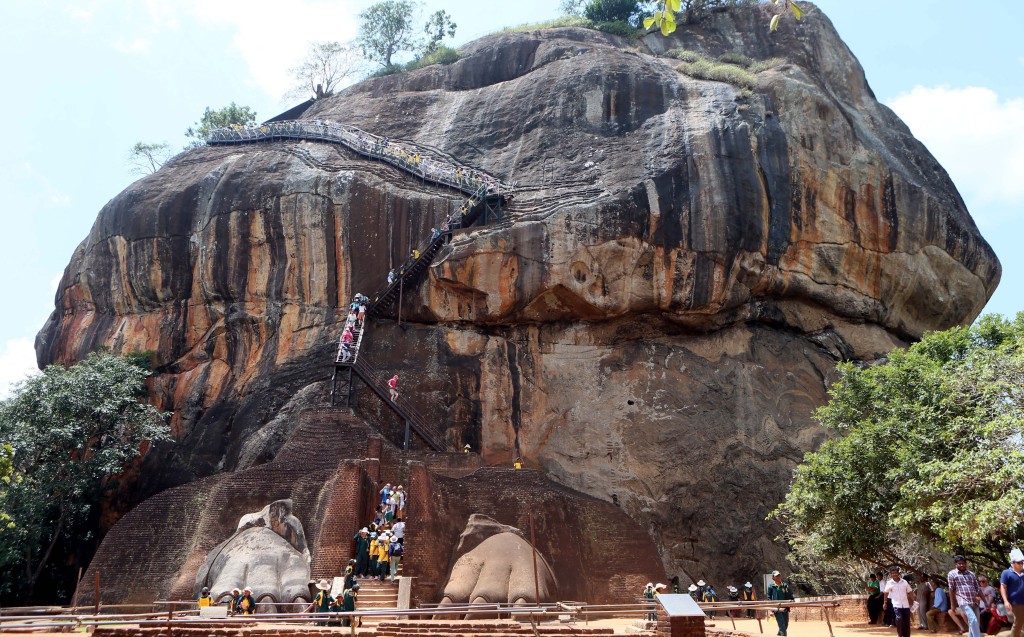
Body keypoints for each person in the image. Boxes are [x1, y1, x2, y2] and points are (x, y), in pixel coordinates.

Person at [948, 554, 983, 637]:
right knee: (973, 619)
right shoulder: (952, 574)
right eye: (959, 563)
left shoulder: (971, 574)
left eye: (963, 563)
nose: (962, 565)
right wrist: (952, 604)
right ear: (956, 564)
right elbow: (951, 590)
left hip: (974, 601)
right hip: (963, 601)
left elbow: (977, 589)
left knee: (975, 622)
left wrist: (985, 601)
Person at [884, 565, 915, 637]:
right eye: (892, 573)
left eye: (895, 573)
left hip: (905, 605)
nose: (894, 574)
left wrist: (913, 601)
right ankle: (899, 634)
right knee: (899, 619)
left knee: (906, 621)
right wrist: (885, 603)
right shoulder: (889, 583)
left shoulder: (904, 582)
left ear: (898, 573)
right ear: (891, 574)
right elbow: (886, 593)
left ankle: (906, 635)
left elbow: (910, 592)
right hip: (896, 605)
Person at [1000, 548, 1024, 637]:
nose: (1021, 564)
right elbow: (1003, 587)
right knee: (1018, 622)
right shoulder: (1006, 573)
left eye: (1022, 562)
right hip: (1015, 603)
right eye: (1019, 562)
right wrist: (1006, 601)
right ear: (1013, 563)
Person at [767, 570, 794, 636]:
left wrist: (792, 600)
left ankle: (779, 634)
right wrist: (772, 608)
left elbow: (790, 595)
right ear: (773, 578)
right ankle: (783, 635)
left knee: (785, 624)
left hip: (785, 607)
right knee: (782, 624)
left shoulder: (785, 585)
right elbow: (769, 597)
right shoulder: (771, 586)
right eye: (776, 576)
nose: (778, 577)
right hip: (777, 608)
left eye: (779, 575)